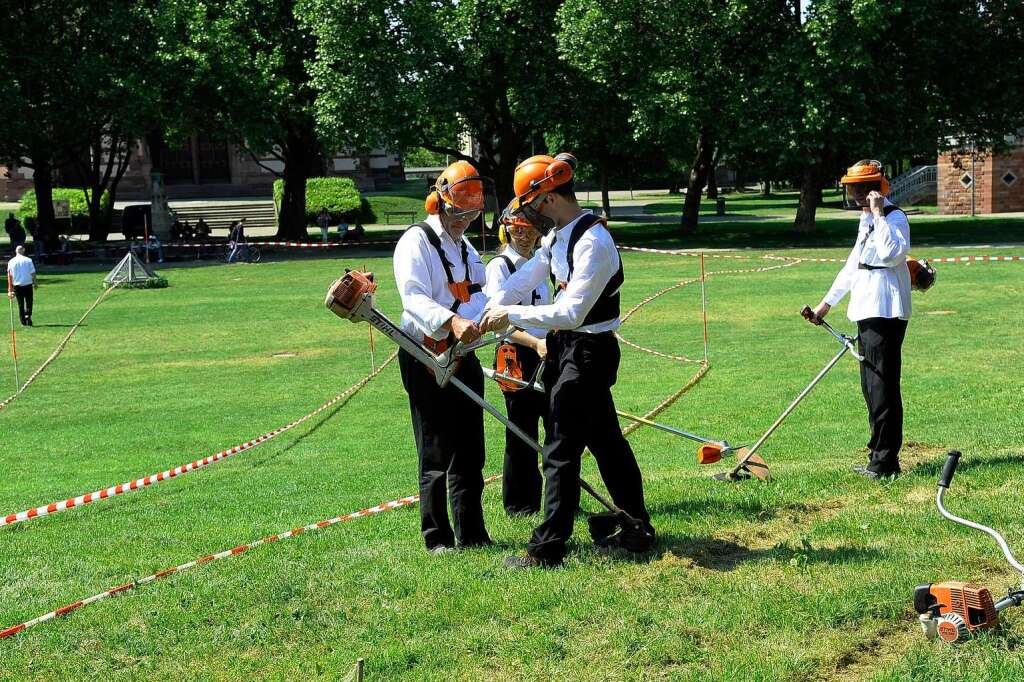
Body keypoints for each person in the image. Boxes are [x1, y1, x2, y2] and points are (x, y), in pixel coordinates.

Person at [481, 153, 655, 568]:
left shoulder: (594, 242)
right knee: (607, 444)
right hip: (567, 350)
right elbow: (524, 279)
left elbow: (573, 312)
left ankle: (547, 549)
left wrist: (511, 315)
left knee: (559, 450)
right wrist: (484, 312)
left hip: (588, 351)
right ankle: (637, 528)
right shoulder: (556, 237)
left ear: (548, 199)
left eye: (529, 206)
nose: (526, 217)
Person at [393, 160, 492, 554]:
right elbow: (413, 297)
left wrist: (479, 321)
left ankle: (472, 532)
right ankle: (437, 538)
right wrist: (451, 322)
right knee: (435, 448)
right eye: (459, 212)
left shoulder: (464, 246)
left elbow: (480, 291)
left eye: (472, 213)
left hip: (463, 352)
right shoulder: (415, 242)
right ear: (439, 202)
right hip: (424, 352)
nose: (465, 220)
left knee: (471, 447)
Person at [807, 160, 911, 479]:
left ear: (872, 189)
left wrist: (879, 214)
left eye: (855, 188)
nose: (851, 194)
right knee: (870, 387)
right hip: (866, 309)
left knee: (883, 388)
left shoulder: (893, 217)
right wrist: (826, 305)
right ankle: (877, 456)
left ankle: (885, 462)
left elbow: (893, 253)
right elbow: (853, 265)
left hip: (886, 310)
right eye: (850, 188)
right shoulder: (866, 219)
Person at [484, 211, 550, 516]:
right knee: (521, 431)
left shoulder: (541, 262)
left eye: (529, 230)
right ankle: (520, 504)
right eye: (517, 230)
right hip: (518, 354)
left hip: (547, 350)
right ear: (506, 231)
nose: (523, 237)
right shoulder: (500, 266)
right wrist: (535, 343)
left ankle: (559, 499)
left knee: (556, 425)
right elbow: (499, 322)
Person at [7, 245, 37, 326]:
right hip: (27, 284)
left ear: (16, 251)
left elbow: (9, 276)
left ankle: (23, 321)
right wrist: (35, 282)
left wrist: (10, 289)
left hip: (17, 285)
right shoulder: (28, 260)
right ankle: (28, 314)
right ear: (23, 250)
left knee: (20, 304)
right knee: (29, 301)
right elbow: (33, 272)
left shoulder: (11, 261)